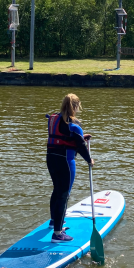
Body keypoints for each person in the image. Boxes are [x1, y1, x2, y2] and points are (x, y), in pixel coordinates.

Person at [46, 93, 94, 243]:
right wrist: (89, 160)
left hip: (51, 159)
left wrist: (80, 137)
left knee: (57, 190)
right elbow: (80, 147)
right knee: (64, 195)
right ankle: (58, 234)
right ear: (75, 106)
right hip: (66, 162)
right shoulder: (74, 126)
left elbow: (66, 137)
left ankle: (54, 221)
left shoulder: (55, 119)